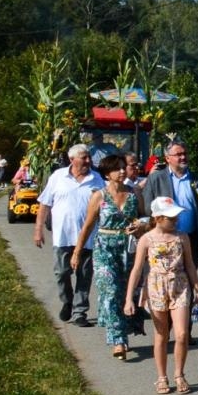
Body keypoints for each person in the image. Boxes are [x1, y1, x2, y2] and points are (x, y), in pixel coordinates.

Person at [126, 197, 198, 395]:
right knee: (161, 334)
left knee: (182, 334)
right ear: (158, 218)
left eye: (176, 216)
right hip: (156, 287)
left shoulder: (182, 237)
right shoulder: (147, 239)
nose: (176, 220)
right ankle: (162, 377)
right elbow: (136, 269)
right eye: (171, 217)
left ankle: (179, 374)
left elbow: (190, 266)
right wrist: (129, 298)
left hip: (180, 286)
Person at [71, 154, 146, 359]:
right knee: (111, 291)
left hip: (129, 249)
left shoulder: (134, 193)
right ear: (107, 173)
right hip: (104, 248)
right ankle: (118, 340)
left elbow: (145, 217)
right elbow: (87, 225)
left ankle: (124, 331)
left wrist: (140, 225)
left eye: (123, 167)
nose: (122, 171)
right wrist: (77, 252)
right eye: (117, 168)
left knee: (126, 293)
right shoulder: (99, 196)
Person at [35, 143, 105, 327]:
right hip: (62, 236)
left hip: (89, 238)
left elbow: (106, 205)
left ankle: (79, 311)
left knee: (84, 274)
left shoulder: (96, 179)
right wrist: (38, 230)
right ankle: (67, 300)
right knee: (62, 273)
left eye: (89, 157)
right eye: (84, 157)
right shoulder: (58, 177)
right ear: (72, 159)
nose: (89, 161)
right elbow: (44, 204)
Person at [142, 140, 198, 264]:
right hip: (164, 238)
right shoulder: (156, 179)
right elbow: (148, 208)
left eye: (185, 154)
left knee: (190, 277)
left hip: (191, 238)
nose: (183, 157)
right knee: (167, 276)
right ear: (167, 158)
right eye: (178, 155)